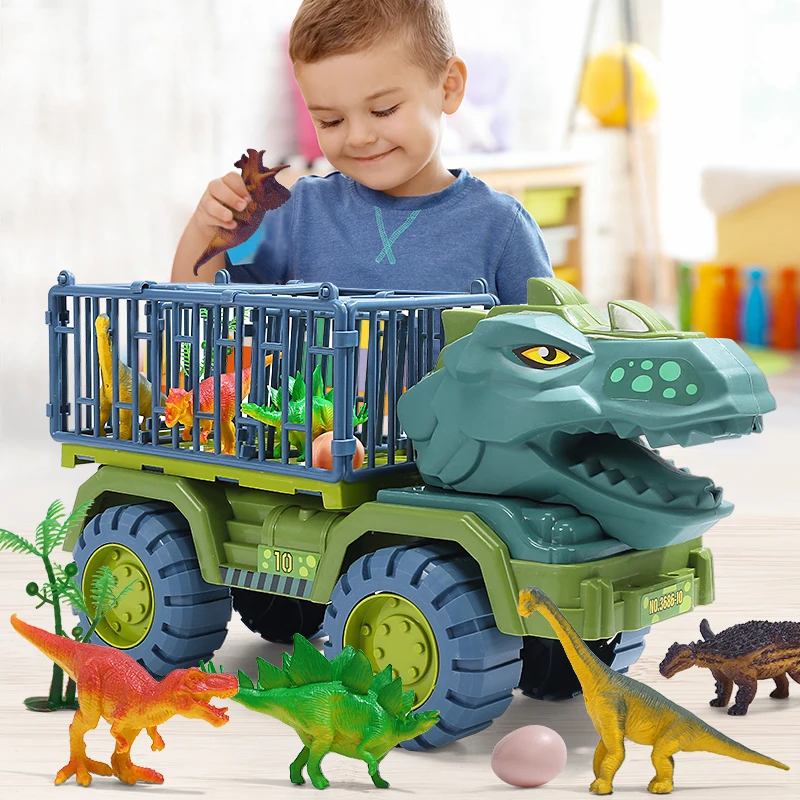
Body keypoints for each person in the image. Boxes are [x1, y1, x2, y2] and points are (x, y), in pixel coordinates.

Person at [171, 0, 552, 304]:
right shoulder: (295, 213)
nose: (358, 137)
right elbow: (202, 311)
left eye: (383, 110)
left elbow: (549, 352)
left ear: (448, 87)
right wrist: (207, 227)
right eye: (331, 121)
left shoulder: (501, 227)